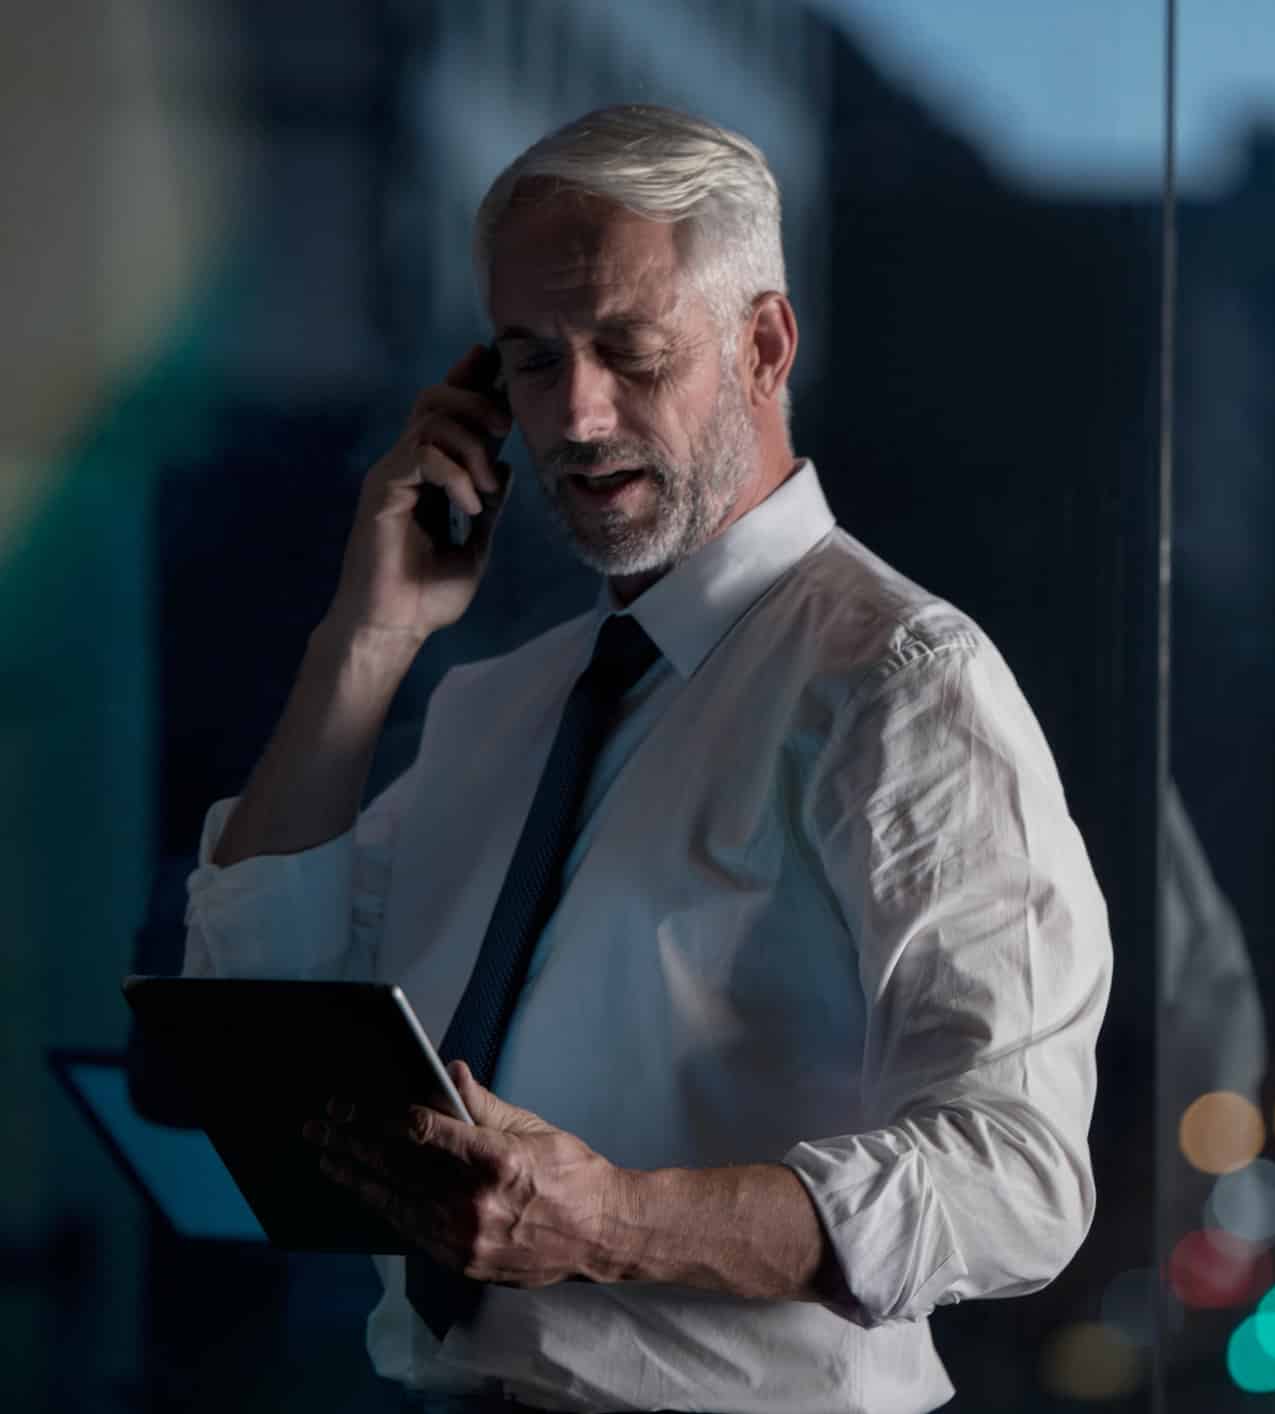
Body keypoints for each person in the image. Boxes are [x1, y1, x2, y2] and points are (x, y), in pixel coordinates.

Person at [180, 104, 1111, 1414]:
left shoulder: (896, 684)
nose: (575, 413)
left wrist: (615, 1219)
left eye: (629, 347)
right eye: (529, 359)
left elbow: (1020, 1178)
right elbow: (260, 1011)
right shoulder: (497, 704)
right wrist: (365, 635)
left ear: (765, 344)